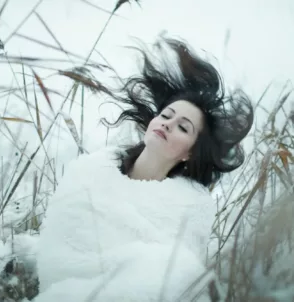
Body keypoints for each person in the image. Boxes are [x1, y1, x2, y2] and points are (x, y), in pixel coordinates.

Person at [33, 36, 253, 301]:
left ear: (190, 152)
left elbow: (176, 282)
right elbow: (55, 256)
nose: (168, 124)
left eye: (183, 127)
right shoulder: (89, 174)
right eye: (166, 115)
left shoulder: (189, 209)